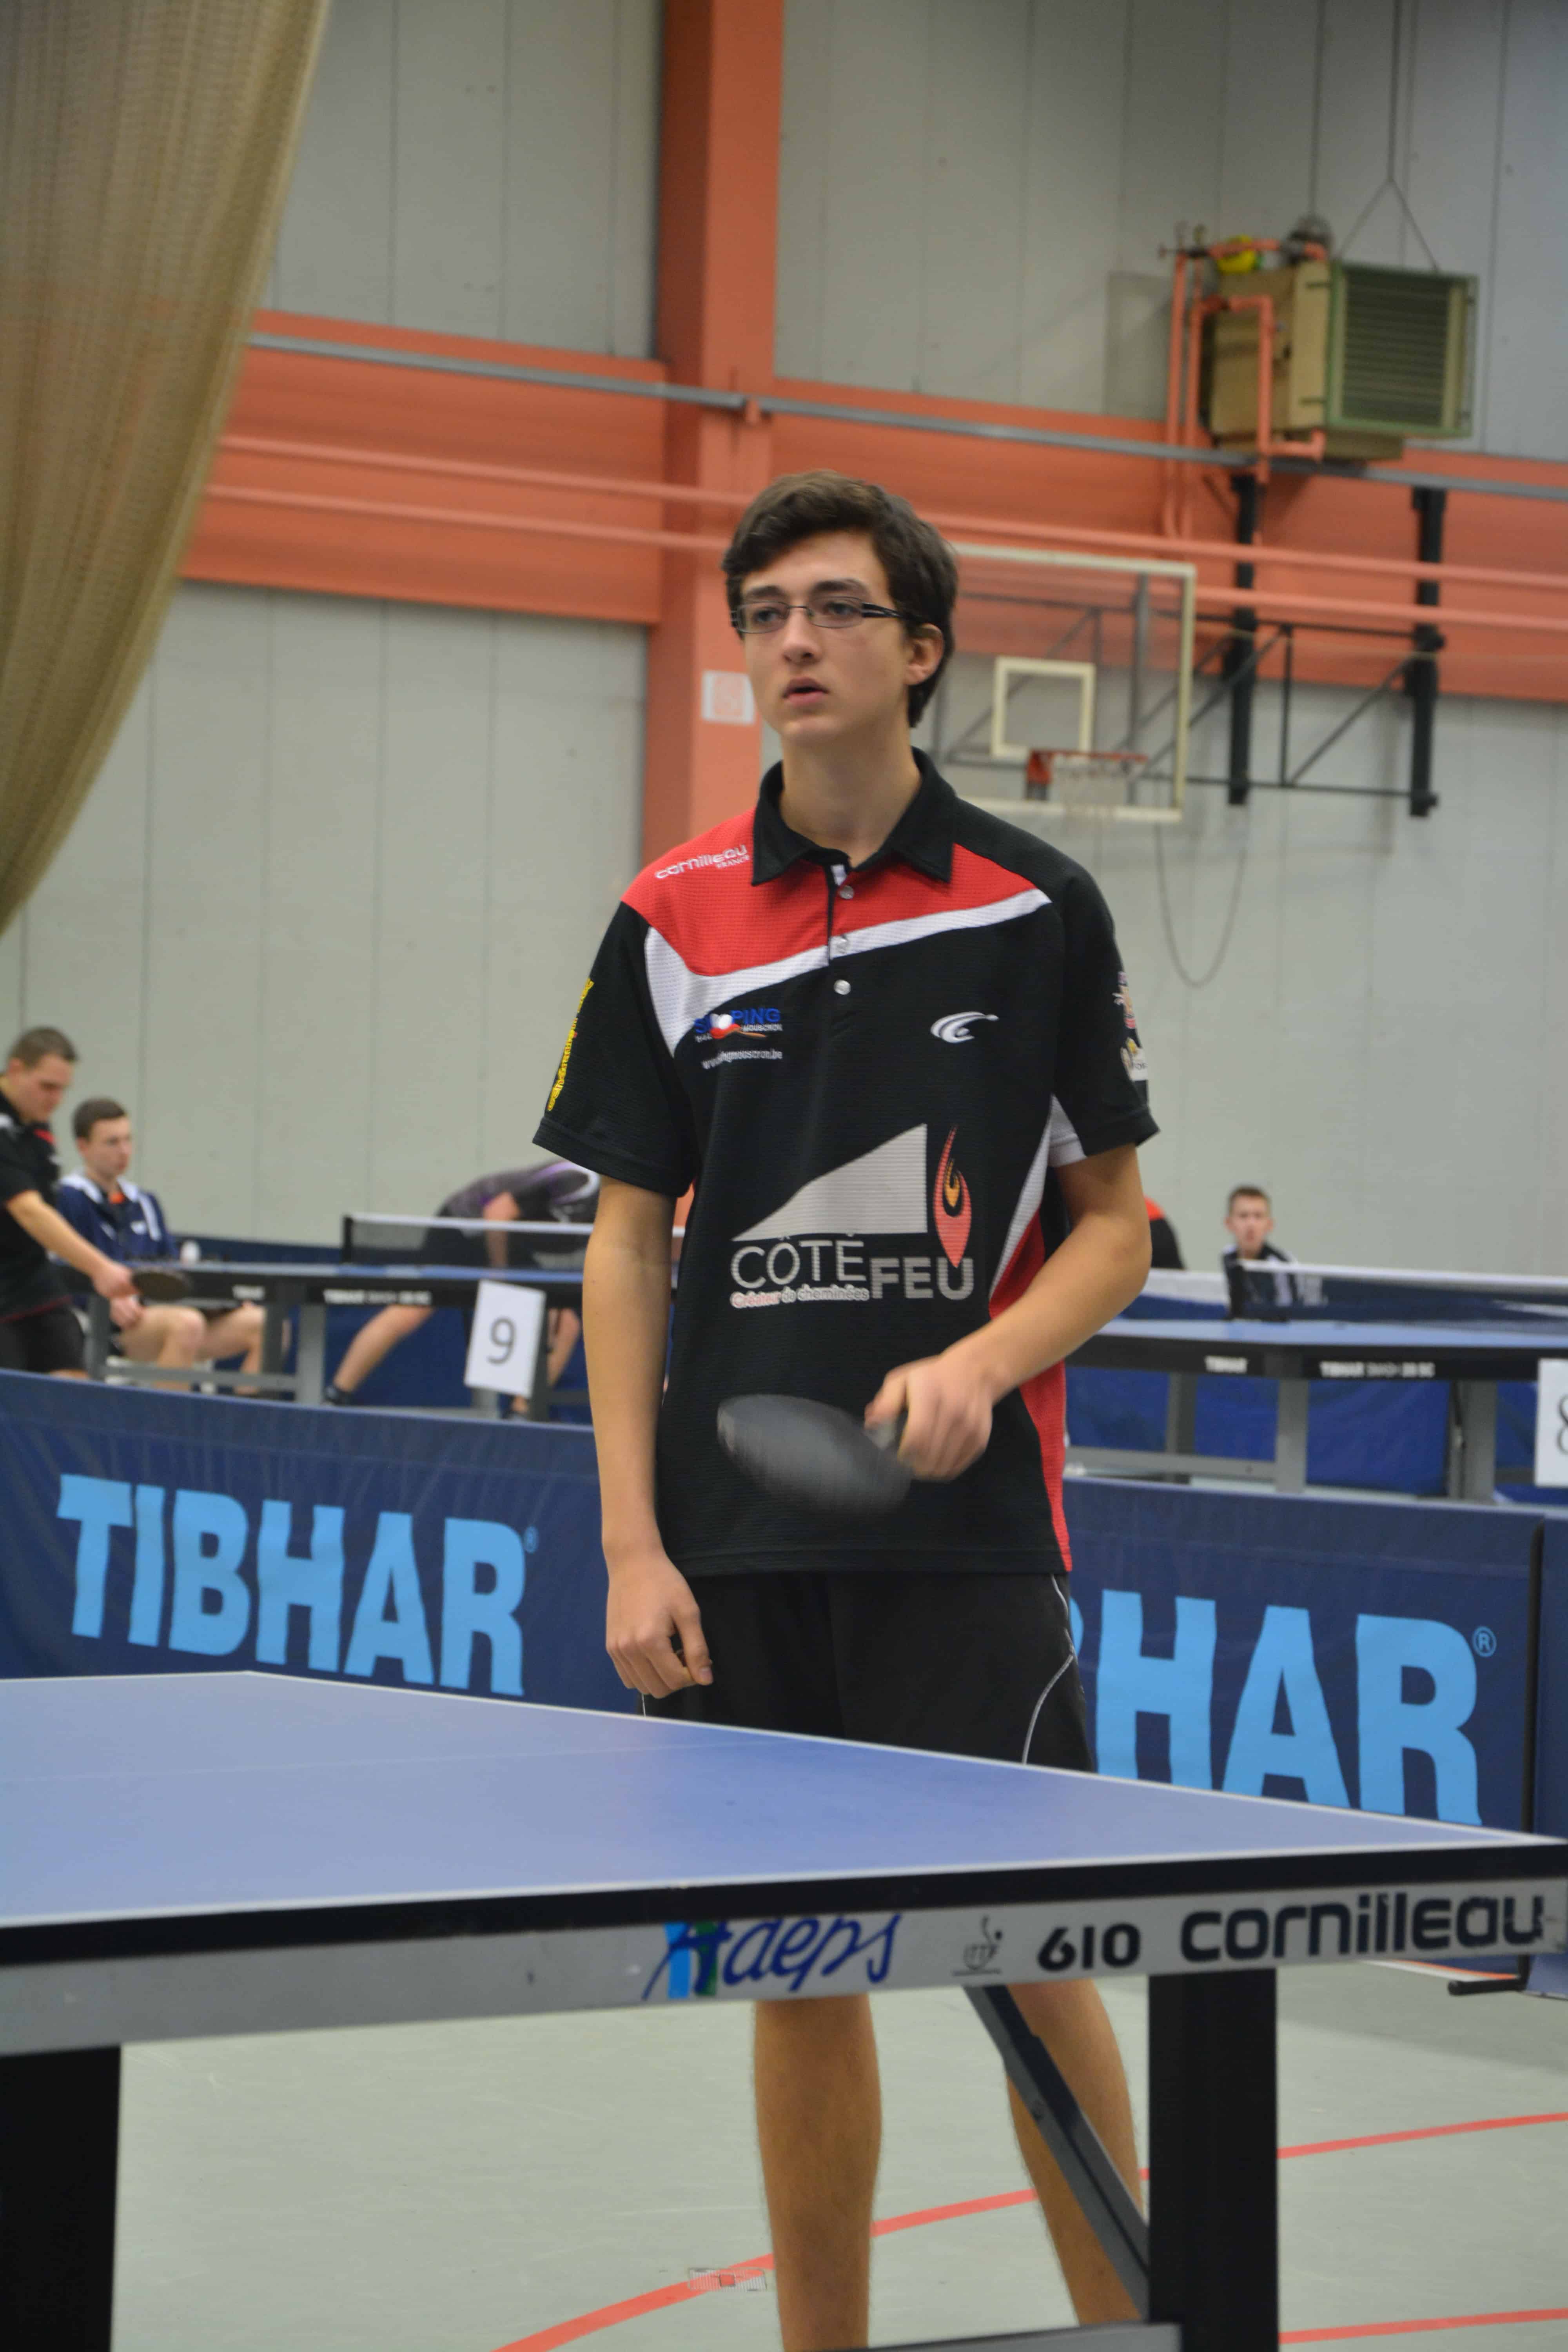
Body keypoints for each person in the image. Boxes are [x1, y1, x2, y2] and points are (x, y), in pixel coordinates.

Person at [536, 469, 1156, 2345]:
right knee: (798, 1973)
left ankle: (1133, 2329)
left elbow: (1113, 1228)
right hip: (732, 1541)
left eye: (831, 607)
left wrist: (982, 1360)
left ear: (921, 647)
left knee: (1032, 1963)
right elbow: (624, 1247)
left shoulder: (1034, 906)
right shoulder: (668, 914)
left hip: (963, 1540)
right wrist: (630, 1543)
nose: (789, 641)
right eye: (763, 613)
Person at [323, 1159, 598, 1405]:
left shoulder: (611, 1211)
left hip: (509, 1241)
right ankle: (338, 1393)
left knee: (566, 1323)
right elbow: (498, 1212)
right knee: (415, 1307)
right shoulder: (575, 1179)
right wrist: (501, 1272)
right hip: (462, 1226)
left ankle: (522, 1412)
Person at [56, 1098, 266, 1375]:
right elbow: (58, 1272)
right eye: (112, 1142)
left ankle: (248, 1405)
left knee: (266, 1325)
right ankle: (167, 1406)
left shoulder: (145, 1202)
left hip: (164, 1312)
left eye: (128, 1140)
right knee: (187, 1324)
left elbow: (173, 1269)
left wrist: (221, 1301)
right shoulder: (67, 1199)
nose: (124, 1151)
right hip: (106, 1326)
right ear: (84, 1147)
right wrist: (107, 1301)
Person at [0, 1028, 140, 1376]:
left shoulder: (36, 1123)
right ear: (16, 1069)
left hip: (34, 1280)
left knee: (71, 1384)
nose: (56, 1099)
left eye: (63, 1089)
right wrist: (101, 1268)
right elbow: (29, 1211)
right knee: (13, 1398)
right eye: (47, 1087)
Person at [1221, 1182, 1299, 1312]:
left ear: (1269, 1225)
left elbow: (1289, 1313)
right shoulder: (1227, 1256)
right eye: (1243, 1216)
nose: (1251, 1224)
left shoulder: (1283, 1265)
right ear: (1229, 1223)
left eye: (1258, 1216)